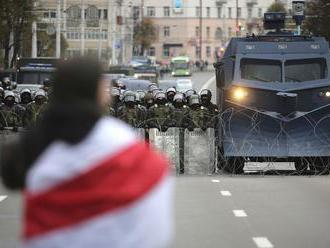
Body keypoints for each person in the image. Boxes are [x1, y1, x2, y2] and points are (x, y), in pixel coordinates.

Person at [0, 57, 173, 248]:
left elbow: (11, 175)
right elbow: (154, 215)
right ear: (100, 93)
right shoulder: (119, 137)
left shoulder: (40, 137)